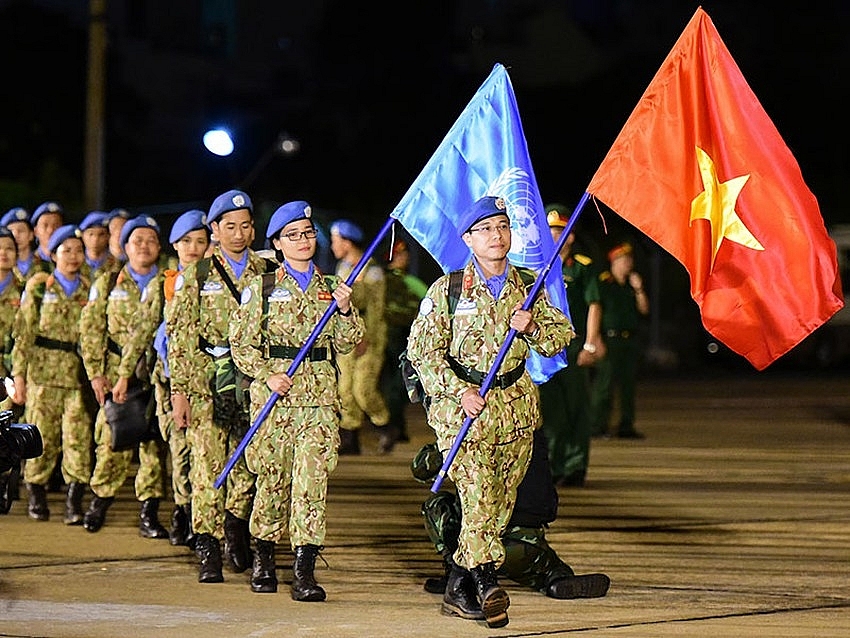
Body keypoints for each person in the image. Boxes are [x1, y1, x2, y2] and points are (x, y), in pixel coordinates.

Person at [405, 195, 573, 629]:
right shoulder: (448, 289)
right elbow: (422, 354)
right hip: (463, 410)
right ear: (467, 239)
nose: (496, 236)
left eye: (502, 227)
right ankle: (485, 582)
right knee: (478, 493)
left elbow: (560, 337)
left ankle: (459, 586)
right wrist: (457, 392)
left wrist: (532, 327)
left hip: (514, 408)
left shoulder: (530, 284)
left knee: (499, 500)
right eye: (485, 230)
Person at [230, 200, 364, 599]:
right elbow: (242, 343)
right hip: (275, 400)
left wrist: (344, 310)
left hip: (320, 400)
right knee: (272, 481)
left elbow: (347, 342)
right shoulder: (263, 287)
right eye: (293, 235)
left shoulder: (330, 288)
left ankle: (304, 569)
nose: (303, 241)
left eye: (308, 233)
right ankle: (265, 559)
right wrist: (266, 374)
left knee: (311, 484)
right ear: (277, 244)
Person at [168, 189, 272, 584]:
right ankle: (207, 546)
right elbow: (180, 335)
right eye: (229, 226)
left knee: (249, 463)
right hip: (206, 382)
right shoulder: (196, 274)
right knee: (208, 465)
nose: (238, 233)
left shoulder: (267, 272)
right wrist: (180, 392)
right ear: (214, 230)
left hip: (253, 382)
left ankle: (235, 527)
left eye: (245, 225)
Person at [414, 429, 610, 604]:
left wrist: (448, 444)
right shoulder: (526, 426)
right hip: (522, 543)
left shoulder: (467, 429)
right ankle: (554, 576)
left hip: (478, 543)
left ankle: (459, 575)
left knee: (437, 505)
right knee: (539, 563)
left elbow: (420, 469)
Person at [78, 215, 170, 538]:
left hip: (155, 375)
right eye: (137, 240)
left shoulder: (168, 283)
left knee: (153, 447)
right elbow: (91, 330)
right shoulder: (108, 281)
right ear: (126, 246)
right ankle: (99, 502)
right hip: (117, 371)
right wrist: (96, 374)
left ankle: (149, 512)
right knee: (111, 439)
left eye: (150, 240)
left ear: (159, 246)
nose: (143, 247)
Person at [11, 225, 92, 524]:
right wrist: (18, 376)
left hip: (75, 378)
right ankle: (37, 494)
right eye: (66, 250)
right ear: (54, 254)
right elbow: (23, 333)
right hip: (42, 376)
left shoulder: (88, 288)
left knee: (77, 440)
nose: (73, 256)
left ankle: (74, 501)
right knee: (41, 438)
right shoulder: (39, 286)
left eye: (78, 250)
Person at [152, 209, 210, 546]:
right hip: (172, 381)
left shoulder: (212, 284)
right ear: (175, 244)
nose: (193, 248)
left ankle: (197, 517)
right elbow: (152, 333)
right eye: (186, 241)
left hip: (205, 381)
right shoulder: (168, 284)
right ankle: (182, 511)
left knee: (202, 452)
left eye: (200, 241)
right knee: (180, 449)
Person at [537, 204, 606, 487]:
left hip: (573, 345)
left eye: (559, 232)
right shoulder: (536, 266)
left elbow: (594, 304)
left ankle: (576, 465)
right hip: (544, 348)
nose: (554, 237)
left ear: (570, 236)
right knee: (552, 409)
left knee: (577, 406)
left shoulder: (581, 267)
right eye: (550, 231)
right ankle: (554, 464)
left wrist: (591, 343)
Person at [329, 218, 392, 455]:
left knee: (363, 389)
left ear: (347, 242)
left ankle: (385, 425)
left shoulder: (372, 271)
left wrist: (366, 337)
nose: (333, 246)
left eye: (336, 241)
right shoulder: (343, 268)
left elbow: (375, 309)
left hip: (369, 337)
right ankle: (350, 437)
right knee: (344, 389)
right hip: (347, 336)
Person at [591, 242, 650, 439]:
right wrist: (596, 338)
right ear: (614, 262)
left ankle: (626, 425)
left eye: (629, 260)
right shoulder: (604, 283)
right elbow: (596, 310)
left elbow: (644, 310)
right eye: (624, 260)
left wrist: (639, 289)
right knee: (604, 385)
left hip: (629, 340)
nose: (628, 264)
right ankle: (599, 425)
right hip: (609, 339)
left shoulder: (631, 286)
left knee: (627, 386)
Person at [381, 238, 429, 444]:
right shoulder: (407, 283)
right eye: (400, 255)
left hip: (392, 336)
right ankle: (393, 426)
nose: (404, 258)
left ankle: (394, 426)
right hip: (397, 336)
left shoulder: (380, 280)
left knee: (393, 382)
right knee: (397, 383)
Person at [1, 207, 44, 282]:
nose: (16, 235)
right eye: (11, 231)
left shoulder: (46, 266)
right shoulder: (2, 264)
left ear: (31, 235)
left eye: (21, 231)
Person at [79, 211, 118, 281]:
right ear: (82, 235)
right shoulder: (75, 262)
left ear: (108, 236)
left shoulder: (117, 263)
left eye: (101, 234)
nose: (95, 239)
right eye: (91, 234)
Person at [30, 201, 64, 271]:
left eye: (56, 225)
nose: (51, 230)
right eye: (45, 225)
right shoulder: (29, 263)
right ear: (36, 231)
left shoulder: (72, 261)